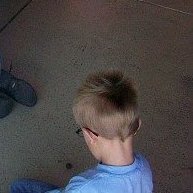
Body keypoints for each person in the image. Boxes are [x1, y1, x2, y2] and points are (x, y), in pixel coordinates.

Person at [9, 70, 153, 192]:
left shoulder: (83, 187)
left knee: (18, 187)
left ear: (90, 136)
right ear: (137, 125)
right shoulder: (143, 166)